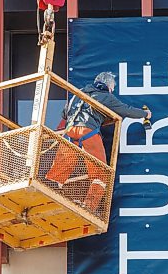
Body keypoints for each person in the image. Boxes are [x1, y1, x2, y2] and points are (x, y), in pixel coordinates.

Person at [46, 71, 151, 213]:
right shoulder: (106, 97)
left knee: (61, 167)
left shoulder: (78, 94)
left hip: (69, 132)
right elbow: (126, 110)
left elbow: (64, 114)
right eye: (112, 88)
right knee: (100, 173)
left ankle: (47, 195)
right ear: (108, 86)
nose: (112, 90)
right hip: (88, 133)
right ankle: (89, 206)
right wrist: (145, 114)